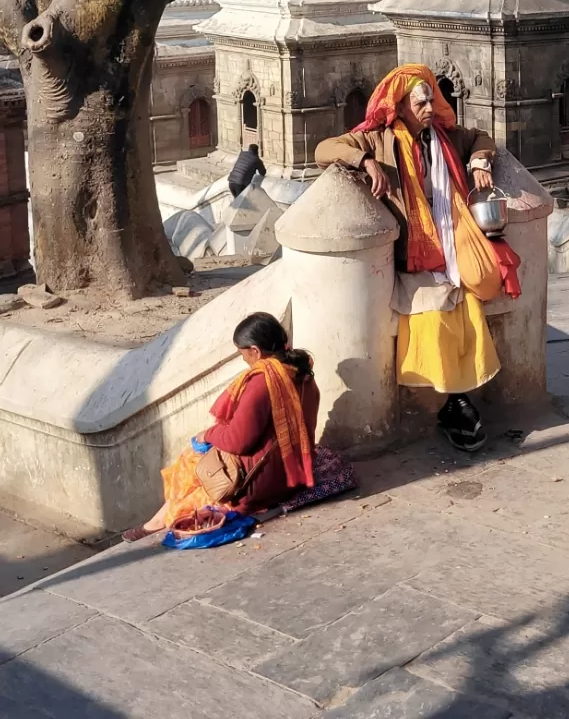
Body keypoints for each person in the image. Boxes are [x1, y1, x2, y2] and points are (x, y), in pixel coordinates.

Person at [315, 63, 520, 454]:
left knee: (472, 295)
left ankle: (458, 397)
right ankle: (451, 400)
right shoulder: (378, 139)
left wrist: (478, 161)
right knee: (435, 311)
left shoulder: (444, 137)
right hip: (411, 252)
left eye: (432, 99)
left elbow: (481, 137)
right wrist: (366, 162)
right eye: (420, 101)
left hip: (448, 248)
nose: (429, 106)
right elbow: (325, 149)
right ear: (401, 105)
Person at [123, 313, 319, 541]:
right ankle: (156, 520)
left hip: (264, 487)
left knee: (193, 459)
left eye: (242, 352)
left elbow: (238, 442)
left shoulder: (262, 381)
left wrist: (208, 434)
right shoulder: (302, 372)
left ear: (255, 351)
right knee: (202, 455)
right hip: (297, 473)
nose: (243, 359)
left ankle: (155, 523)